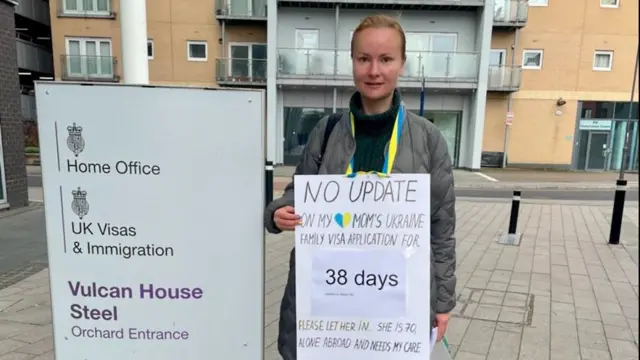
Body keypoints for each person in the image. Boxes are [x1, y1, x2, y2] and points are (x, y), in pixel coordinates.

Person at [264, 14, 457, 360]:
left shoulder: (428, 139)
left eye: (386, 59)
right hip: (330, 296)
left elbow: (441, 229)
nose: (374, 71)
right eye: (364, 59)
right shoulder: (326, 131)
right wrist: (279, 212)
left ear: (401, 65)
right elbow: (298, 193)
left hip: (395, 299)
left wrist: (442, 304)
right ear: (352, 62)